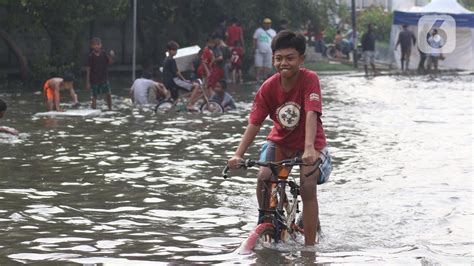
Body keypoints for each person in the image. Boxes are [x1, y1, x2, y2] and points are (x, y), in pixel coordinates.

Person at [226, 30, 332, 247]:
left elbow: (312, 113)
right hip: (280, 143)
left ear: (301, 59)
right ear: (273, 58)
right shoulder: (268, 87)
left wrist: (309, 148)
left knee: (307, 185)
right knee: (264, 177)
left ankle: (310, 249)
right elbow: (254, 123)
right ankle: (268, 219)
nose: (284, 63)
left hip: (310, 146)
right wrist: (238, 154)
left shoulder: (310, 79)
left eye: (290, 58)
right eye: (279, 58)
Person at [162, 41, 201, 111]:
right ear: (169, 50)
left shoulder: (166, 60)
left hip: (167, 82)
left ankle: (170, 110)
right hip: (174, 81)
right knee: (196, 86)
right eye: (173, 50)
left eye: (176, 50)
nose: (175, 52)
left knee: (176, 99)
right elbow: (177, 72)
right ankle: (190, 105)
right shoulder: (171, 60)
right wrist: (184, 79)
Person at [86, 37, 114, 111]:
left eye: (98, 44)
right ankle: (93, 110)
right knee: (94, 96)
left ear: (101, 45)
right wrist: (88, 82)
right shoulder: (91, 56)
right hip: (94, 79)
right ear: (92, 46)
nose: (96, 46)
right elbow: (88, 69)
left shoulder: (103, 53)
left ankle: (110, 109)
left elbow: (110, 62)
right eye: (94, 45)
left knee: (108, 94)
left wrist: (111, 56)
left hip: (104, 78)